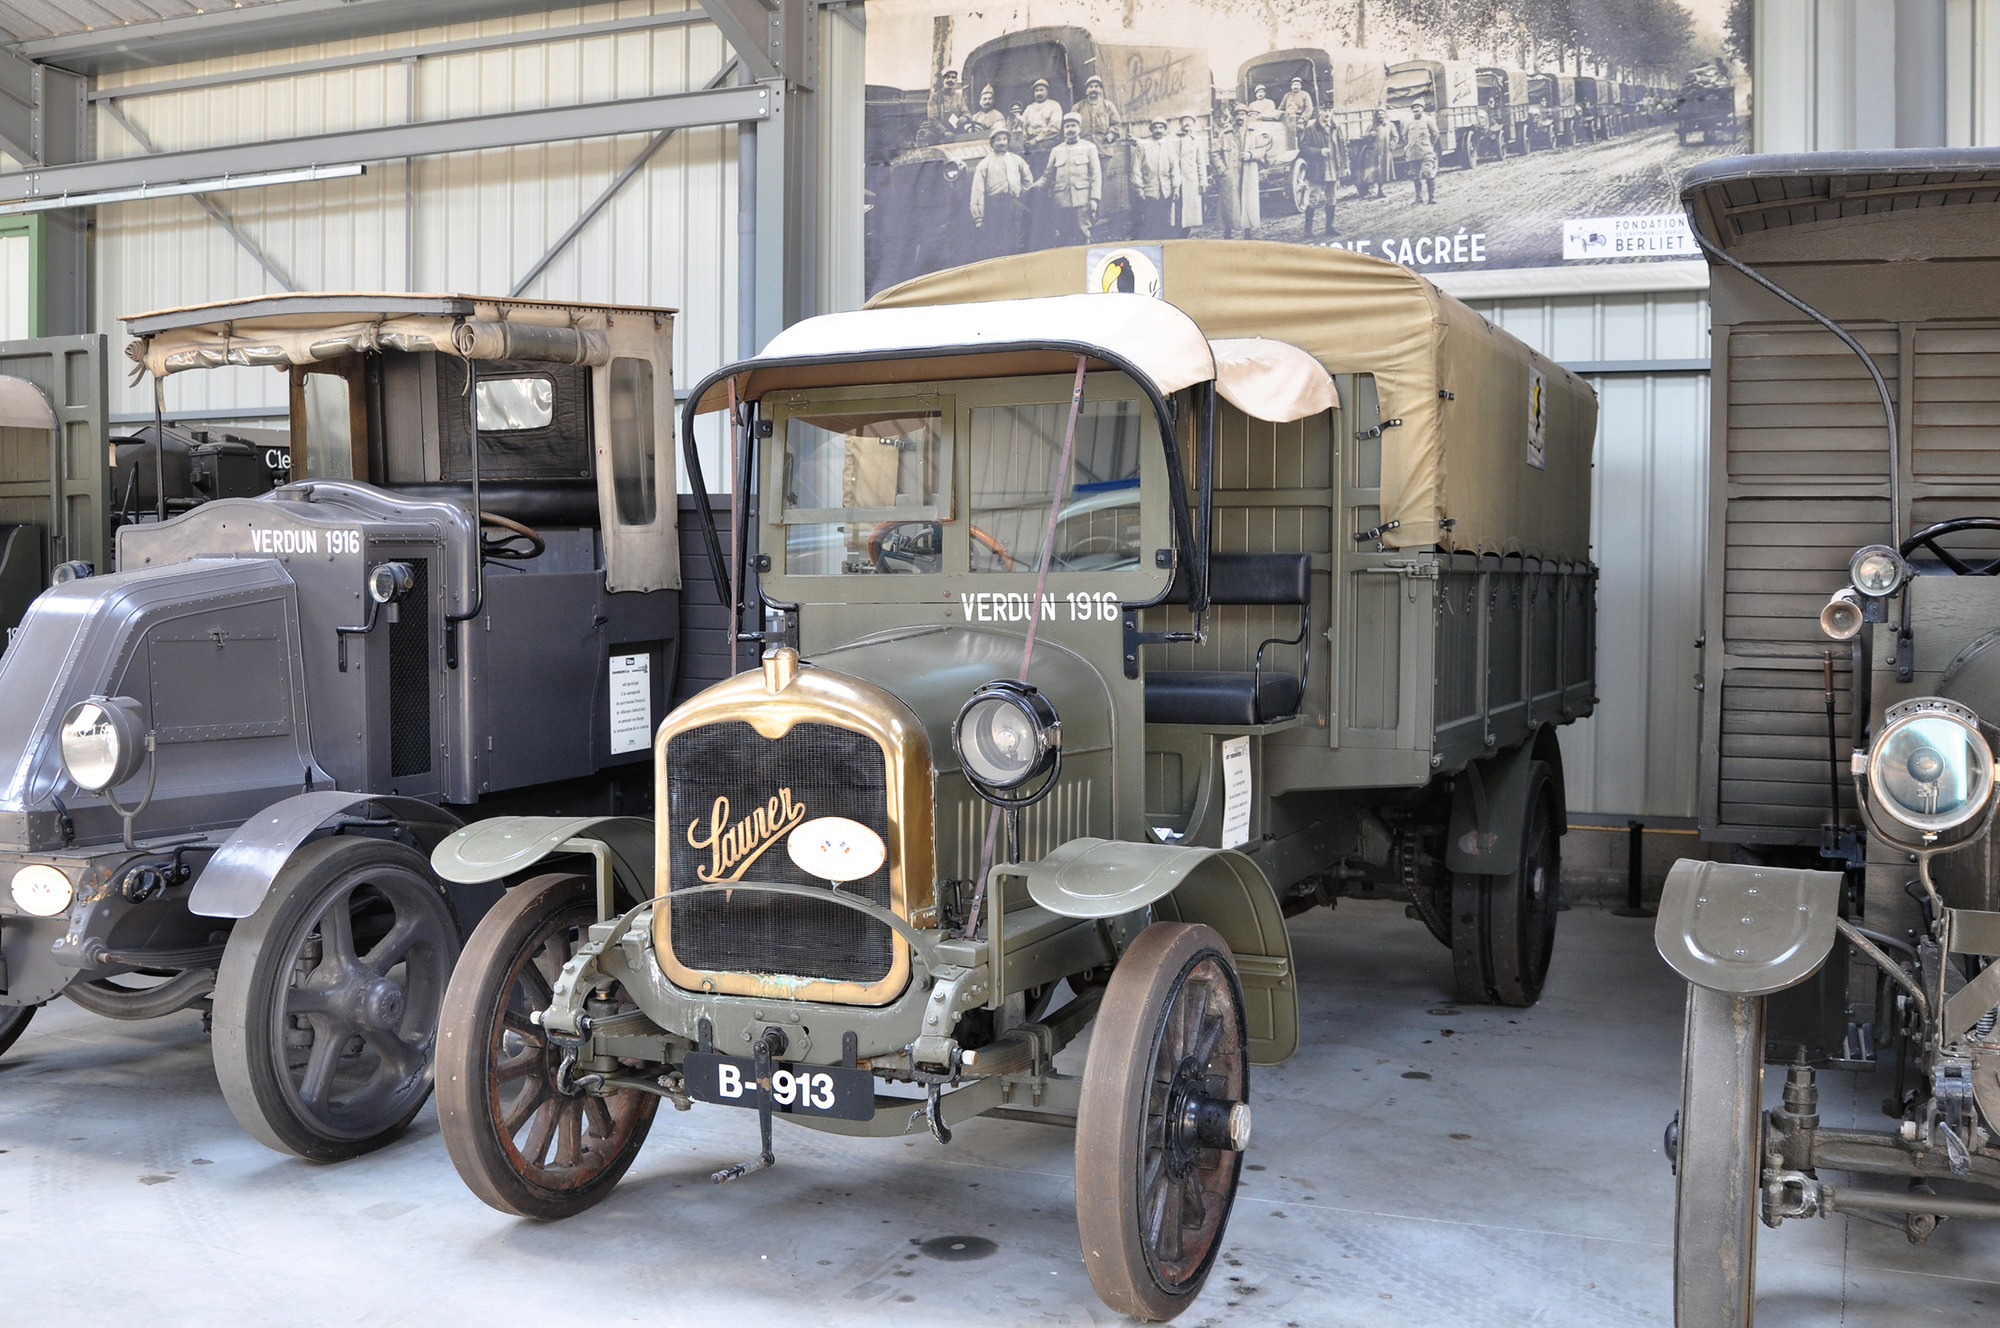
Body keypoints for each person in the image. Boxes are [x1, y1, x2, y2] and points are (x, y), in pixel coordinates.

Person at [1035, 111, 1101, 245]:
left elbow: (1096, 175)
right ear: (1063, 130)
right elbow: (1047, 175)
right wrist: (1033, 186)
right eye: (1067, 126)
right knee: (1063, 237)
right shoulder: (1056, 150)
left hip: (1082, 201)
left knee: (1084, 235)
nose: (1070, 129)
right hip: (1061, 202)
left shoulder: (1089, 147)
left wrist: (1094, 199)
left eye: (1073, 126)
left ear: (1079, 129)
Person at [968, 125, 1034, 257]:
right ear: (992, 143)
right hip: (994, 204)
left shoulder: (1016, 159)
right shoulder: (984, 164)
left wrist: (1020, 192)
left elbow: (1028, 178)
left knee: (1026, 221)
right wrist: (979, 218)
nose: (1002, 142)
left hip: (1012, 201)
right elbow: (977, 191)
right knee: (999, 238)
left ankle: (1019, 256)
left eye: (1004, 139)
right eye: (998, 140)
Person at [1297, 105, 1344, 237]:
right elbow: (1303, 148)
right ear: (1319, 112)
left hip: (1333, 169)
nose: (1327, 113)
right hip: (1317, 170)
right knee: (1313, 199)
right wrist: (1319, 152)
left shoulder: (1335, 127)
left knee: (1332, 199)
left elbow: (1342, 146)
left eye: (1329, 110)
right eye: (1324, 110)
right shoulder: (1311, 129)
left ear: (1333, 111)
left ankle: (1329, 228)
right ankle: (1308, 231)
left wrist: (1345, 166)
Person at [1130, 116, 1180, 239]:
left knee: (1164, 222)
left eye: (1161, 127)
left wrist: (1176, 187)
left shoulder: (1169, 146)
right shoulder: (1142, 146)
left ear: (1164, 130)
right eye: (1155, 127)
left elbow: (1175, 168)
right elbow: (1135, 169)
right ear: (1151, 130)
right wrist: (1139, 189)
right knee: (1149, 223)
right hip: (1149, 191)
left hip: (1165, 190)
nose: (1158, 130)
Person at [1171, 114, 1208, 233]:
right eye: (1184, 121)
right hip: (1177, 177)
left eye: (1189, 121)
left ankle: (1187, 232)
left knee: (1190, 207)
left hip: (1192, 178)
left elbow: (1200, 161)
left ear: (1193, 123)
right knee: (1177, 207)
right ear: (1180, 124)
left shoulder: (1196, 140)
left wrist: (1203, 181)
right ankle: (1176, 232)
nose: (1187, 123)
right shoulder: (1174, 138)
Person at [1020, 78, 1064, 168]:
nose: (1039, 93)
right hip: (1030, 139)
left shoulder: (1054, 105)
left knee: (1041, 154)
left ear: (1047, 92)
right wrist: (1024, 138)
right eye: (1036, 91)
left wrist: (1036, 140)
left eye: (1041, 90)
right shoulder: (1029, 108)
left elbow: (1054, 128)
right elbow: (1023, 124)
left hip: (1047, 139)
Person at [1405, 102, 1441, 204]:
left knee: (1428, 173)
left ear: (1422, 108)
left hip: (1426, 151)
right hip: (1413, 152)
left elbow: (1435, 134)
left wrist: (1429, 145)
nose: (1416, 109)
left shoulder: (1429, 120)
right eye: (1414, 107)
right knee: (1415, 175)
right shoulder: (1407, 122)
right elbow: (1405, 136)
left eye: (1418, 107)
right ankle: (1418, 198)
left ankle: (1431, 198)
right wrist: (1410, 145)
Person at [1360, 109, 1397, 198]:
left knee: (1383, 171)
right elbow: (1364, 138)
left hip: (1384, 151)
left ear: (1385, 115)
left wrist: (1391, 146)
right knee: (1372, 171)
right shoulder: (1371, 126)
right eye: (1378, 114)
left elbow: (1395, 137)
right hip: (1373, 152)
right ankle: (1371, 191)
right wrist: (1370, 135)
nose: (1380, 116)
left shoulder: (1390, 125)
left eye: (1382, 114)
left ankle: (1380, 190)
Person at [1077, 74, 1122, 147]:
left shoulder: (1108, 106)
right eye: (1091, 86)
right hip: (1084, 149)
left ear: (1101, 89)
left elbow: (1116, 124)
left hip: (1103, 147)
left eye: (1096, 86)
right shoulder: (1078, 107)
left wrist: (1111, 134)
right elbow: (1072, 125)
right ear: (1087, 90)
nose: (1093, 89)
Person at [926, 69, 969, 139]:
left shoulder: (959, 96)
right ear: (943, 80)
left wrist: (964, 118)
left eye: (953, 77)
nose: (950, 80)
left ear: (956, 80)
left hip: (957, 133)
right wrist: (944, 131)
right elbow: (932, 119)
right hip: (939, 135)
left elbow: (966, 112)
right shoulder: (935, 97)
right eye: (947, 77)